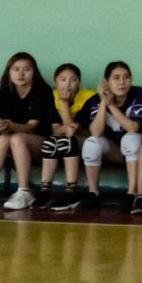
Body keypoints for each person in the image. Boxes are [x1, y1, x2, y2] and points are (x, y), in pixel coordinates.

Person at [0, 53, 50, 211]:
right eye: (16, 69)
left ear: (34, 72)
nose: (21, 73)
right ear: (9, 72)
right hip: (12, 143)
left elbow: (31, 127)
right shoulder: (4, 93)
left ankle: (24, 191)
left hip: (42, 145)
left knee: (16, 137)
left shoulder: (42, 91)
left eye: (26, 69)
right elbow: (2, 124)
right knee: (4, 138)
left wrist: (9, 126)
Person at [83, 62, 142, 212]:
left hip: (137, 151)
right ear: (106, 82)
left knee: (130, 138)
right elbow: (96, 132)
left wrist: (111, 105)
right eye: (116, 78)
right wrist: (103, 102)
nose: (122, 82)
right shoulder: (96, 99)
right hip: (113, 150)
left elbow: (132, 128)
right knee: (91, 143)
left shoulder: (139, 94)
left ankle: (132, 192)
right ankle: (93, 192)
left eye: (126, 77)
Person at [41, 64, 98, 211]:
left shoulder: (89, 97)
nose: (68, 84)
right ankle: (44, 191)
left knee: (67, 141)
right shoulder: (50, 96)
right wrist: (65, 128)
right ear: (55, 82)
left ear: (79, 82)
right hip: (62, 137)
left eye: (73, 80)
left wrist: (64, 104)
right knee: (50, 142)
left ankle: (71, 191)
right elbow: (56, 129)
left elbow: (74, 131)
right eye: (63, 80)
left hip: (85, 139)